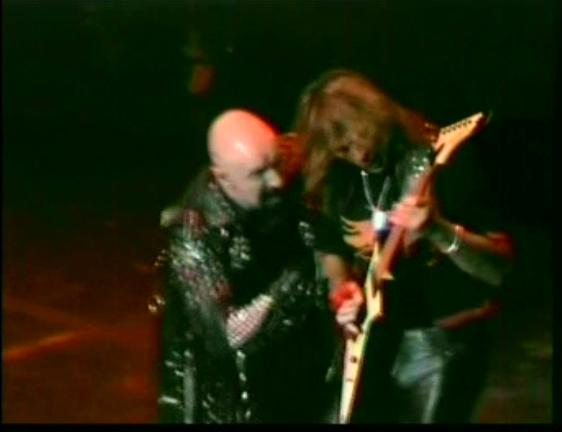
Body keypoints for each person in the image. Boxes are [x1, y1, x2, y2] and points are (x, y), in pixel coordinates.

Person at [292, 69, 514, 423]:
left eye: (359, 137)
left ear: (376, 114)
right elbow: (330, 247)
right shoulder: (340, 178)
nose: (358, 153)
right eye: (342, 149)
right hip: (376, 346)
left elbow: (499, 267)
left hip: (444, 343)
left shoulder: (438, 158)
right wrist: (342, 289)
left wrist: (439, 231)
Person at [156, 109, 339, 423]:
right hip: (232, 396)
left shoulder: (283, 160)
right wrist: (293, 282)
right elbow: (228, 335)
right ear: (222, 177)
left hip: (301, 370)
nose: (276, 180)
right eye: (258, 174)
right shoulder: (194, 232)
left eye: (276, 163)